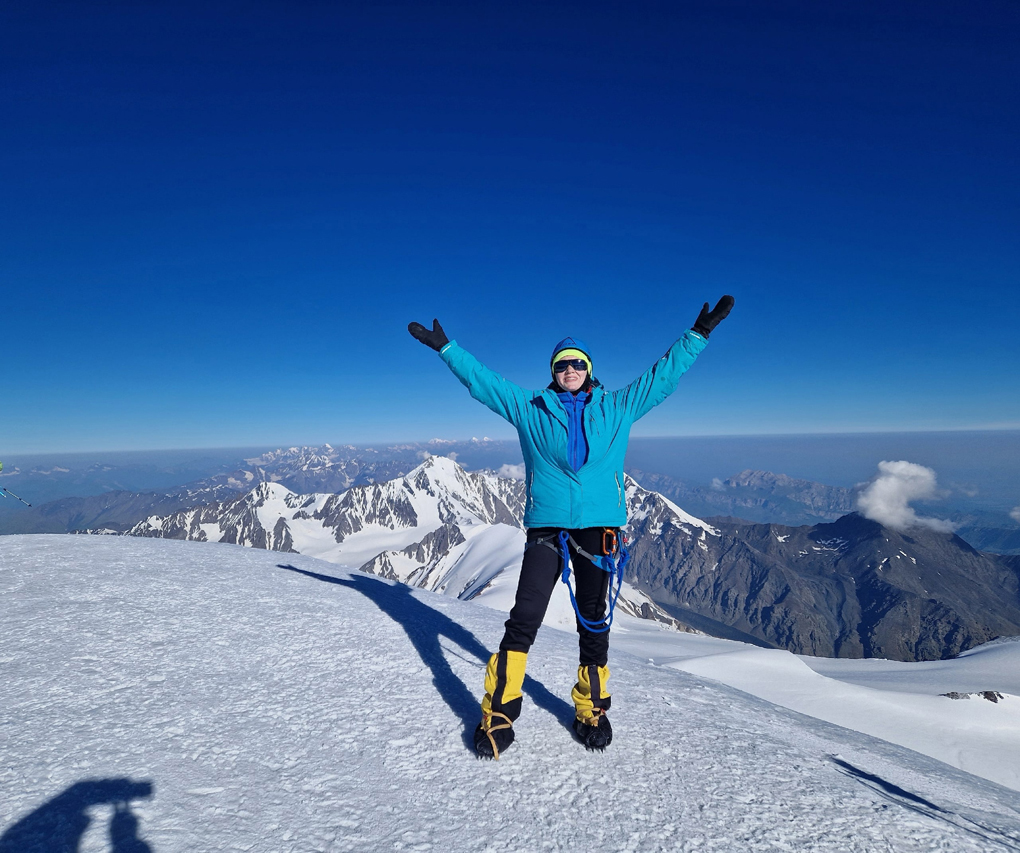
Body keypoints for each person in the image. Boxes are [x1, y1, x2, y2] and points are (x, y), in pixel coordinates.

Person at [408, 296, 734, 758]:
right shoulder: (530, 408)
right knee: (523, 619)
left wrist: (697, 335)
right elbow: (485, 384)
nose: (571, 370)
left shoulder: (618, 407)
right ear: (553, 371)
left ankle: (591, 711)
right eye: (563, 365)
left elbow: (663, 377)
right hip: (546, 530)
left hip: (598, 532)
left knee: (594, 623)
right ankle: (499, 714)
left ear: (589, 369)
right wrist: (447, 349)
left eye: (578, 364)